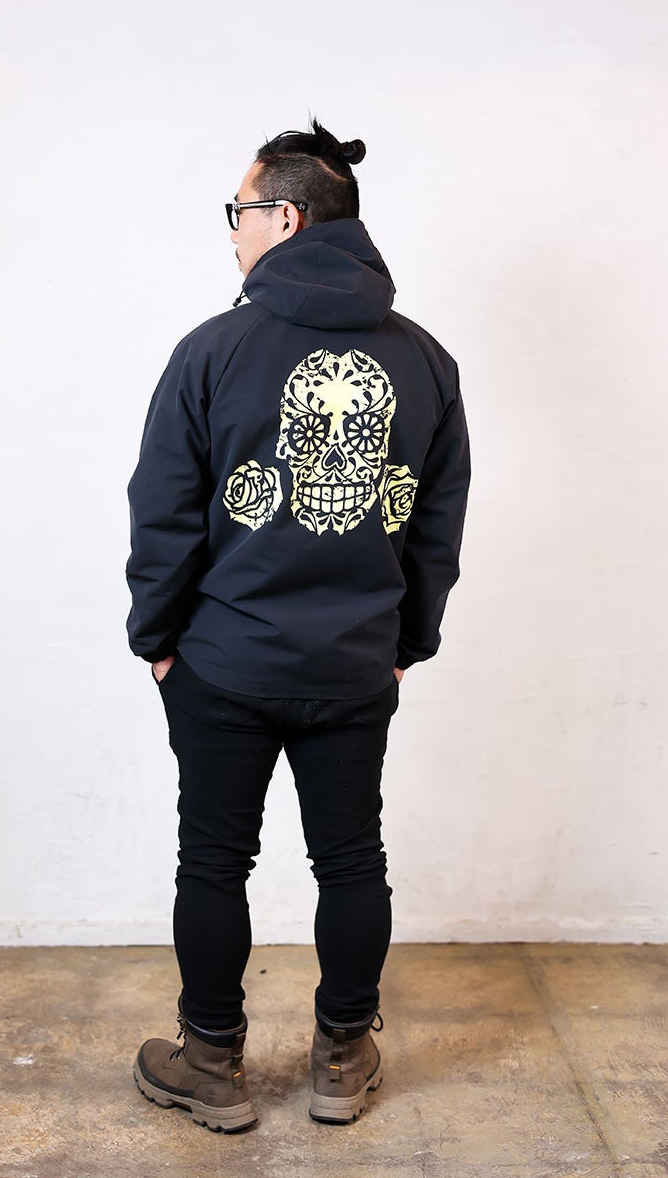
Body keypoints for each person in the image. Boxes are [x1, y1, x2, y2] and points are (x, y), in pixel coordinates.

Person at [125, 118, 470, 1133]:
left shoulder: (213, 350)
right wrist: (403, 645)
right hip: (354, 663)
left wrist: (158, 641)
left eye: (239, 212)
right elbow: (435, 524)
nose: (232, 232)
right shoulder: (425, 361)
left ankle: (210, 1062)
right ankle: (341, 1057)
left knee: (212, 860)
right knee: (351, 858)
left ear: (283, 216)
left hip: (224, 661)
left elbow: (164, 514)